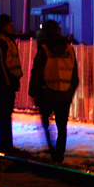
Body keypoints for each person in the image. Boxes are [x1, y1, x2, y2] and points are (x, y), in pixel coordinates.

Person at [29, 20, 79, 163]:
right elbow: (75, 75)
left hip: (47, 93)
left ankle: (52, 150)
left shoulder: (44, 49)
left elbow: (37, 72)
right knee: (62, 127)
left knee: (45, 123)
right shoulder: (69, 49)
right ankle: (59, 155)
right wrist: (70, 92)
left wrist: (33, 91)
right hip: (64, 94)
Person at [0, 13, 22, 152]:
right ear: (3, 26)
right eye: (9, 25)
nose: (12, 27)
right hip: (5, 83)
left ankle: (7, 144)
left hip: (9, 82)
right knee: (4, 114)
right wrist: (8, 82)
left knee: (7, 114)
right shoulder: (1, 41)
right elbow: (1, 64)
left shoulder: (7, 40)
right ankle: (4, 145)